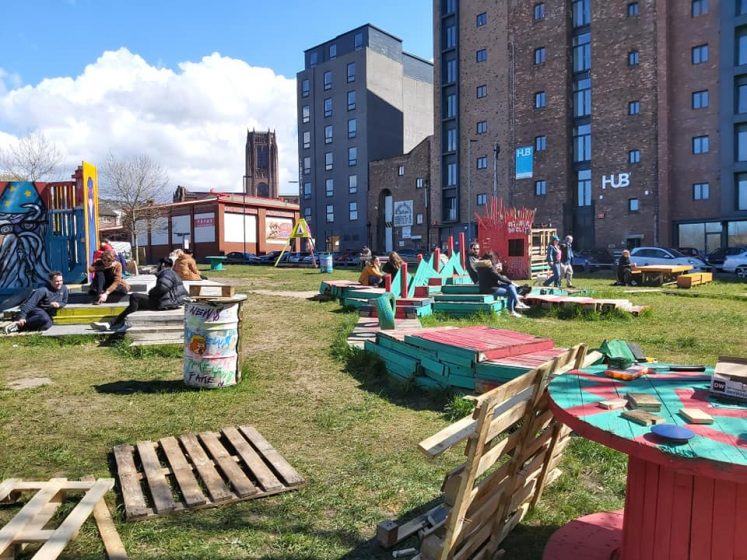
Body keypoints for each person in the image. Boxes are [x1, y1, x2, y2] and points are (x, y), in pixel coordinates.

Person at [93, 258, 188, 332]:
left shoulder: (166, 273)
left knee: (134, 297)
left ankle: (114, 323)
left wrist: (151, 292)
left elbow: (162, 287)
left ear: (163, 264)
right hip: (171, 302)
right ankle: (117, 323)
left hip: (166, 304)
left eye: (158, 265)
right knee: (137, 303)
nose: (157, 266)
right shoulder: (172, 273)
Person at [3, 271, 68, 334]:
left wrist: (59, 304)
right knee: (44, 318)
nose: (59, 283)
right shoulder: (43, 290)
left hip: (46, 312)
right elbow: (30, 304)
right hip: (37, 309)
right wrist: (21, 317)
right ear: (50, 281)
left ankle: (17, 327)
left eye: (61, 280)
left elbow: (64, 302)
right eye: (57, 281)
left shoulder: (64, 289)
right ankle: (18, 322)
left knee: (47, 325)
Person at [475, 251, 530, 318]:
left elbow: (492, 276)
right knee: (511, 291)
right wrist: (511, 281)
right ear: (492, 259)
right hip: (490, 289)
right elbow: (499, 277)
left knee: (510, 287)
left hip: (488, 287)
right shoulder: (489, 267)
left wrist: (497, 271)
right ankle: (512, 311)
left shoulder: (480, 267)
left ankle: (518, 302)